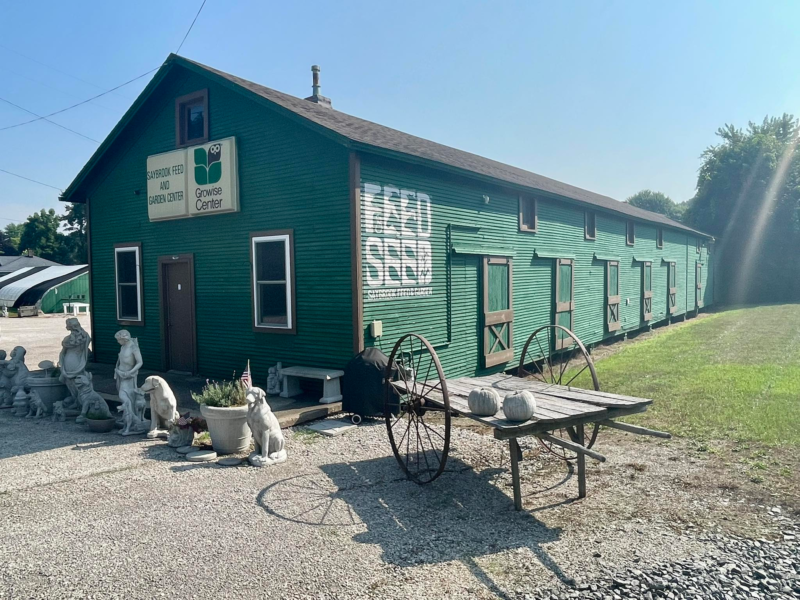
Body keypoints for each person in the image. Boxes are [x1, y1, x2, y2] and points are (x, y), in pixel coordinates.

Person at [59, 318, 90, 404]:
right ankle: (79, 401)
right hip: (78, 361)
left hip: (68, 360)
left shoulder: (67, 339)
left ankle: (76, 400)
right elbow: (86, 351)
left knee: (71, 382)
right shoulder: (85, 336)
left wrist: (61, 363)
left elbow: (63, 352)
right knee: (78, 380)